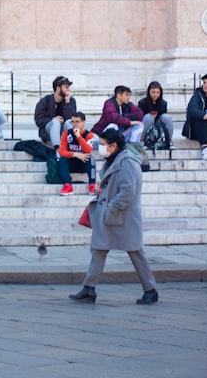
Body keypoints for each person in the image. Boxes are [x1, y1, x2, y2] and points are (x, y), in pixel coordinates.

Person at [69, 130, 159, 305]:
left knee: (135, 252)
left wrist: (111, 207)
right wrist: (103, 190)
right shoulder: (116, 159)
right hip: (114, 215)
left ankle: (150, 290)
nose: (100, 147)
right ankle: (89, 289)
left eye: (103, 144)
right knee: (98, 249)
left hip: (123, 216)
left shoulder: (127, 162)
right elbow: (116, 186)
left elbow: (127, 192)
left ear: (113, 145)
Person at [57, 112, 97, 196]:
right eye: (72, 122)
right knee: (62, 159)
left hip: (83, 164)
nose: (74, 124)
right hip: (71, 163)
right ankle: (68, 186)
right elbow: (61, 151)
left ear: (83, 122)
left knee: (91, 158)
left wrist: (79, 136)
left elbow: (88, 150)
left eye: (77, 122)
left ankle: (92, 185)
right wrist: (76, 154)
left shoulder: (89, 135)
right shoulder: (66, 133)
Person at [33, 76, 76, 147]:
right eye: (66, 87)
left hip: (63, 131)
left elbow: (72, 119)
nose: (69, 90)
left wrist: (67, 103)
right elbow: (38, 120)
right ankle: (58, 149)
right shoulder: (46, 101)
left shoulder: (71, 101)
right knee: (56, 122)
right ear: (58, 88)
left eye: (68, 87)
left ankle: (73, 148)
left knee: (69, 122)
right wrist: (53, 119)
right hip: (48, 131)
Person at [138, 81, 173, 148]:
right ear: (149, 92)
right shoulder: (142, 102)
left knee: (167, 117)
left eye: (157, 92)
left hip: (158, 123)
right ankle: (142, 140)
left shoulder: (163, 103)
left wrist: (156, 117)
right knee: (148, 117)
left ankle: (169, 140)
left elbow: (163, 115)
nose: (155, 95)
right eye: (153, 92)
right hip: (146, 123)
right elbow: (140, 116)